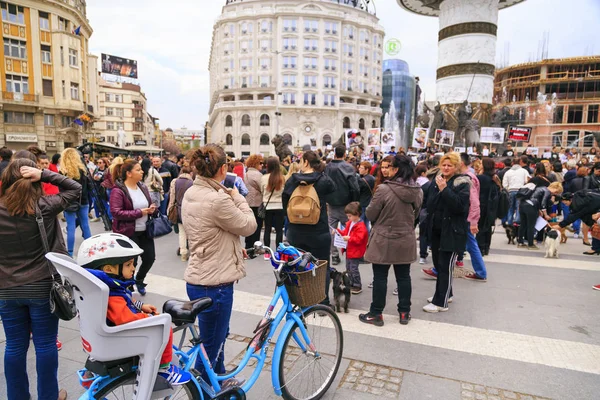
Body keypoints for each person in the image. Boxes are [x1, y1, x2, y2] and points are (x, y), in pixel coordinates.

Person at [0, 159, 81, 400]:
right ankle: (48, 396)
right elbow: (75, 188)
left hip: (6, 288)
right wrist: (44, 174)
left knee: (14, 346)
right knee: (45, 345)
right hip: (42, 286)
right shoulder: (44, 205)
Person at [182, 145, 256, 381]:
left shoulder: (192, 192)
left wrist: (233, 248)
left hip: (200, 275)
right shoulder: (218, 200)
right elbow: (248, 225)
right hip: (216, 284)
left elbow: (208, 231)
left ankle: (220, 380)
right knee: (211, 348)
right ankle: (203, 390)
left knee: (216, 338)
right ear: (223, 168)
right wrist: (238, 198)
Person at [77, 234, 191, 385]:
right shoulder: (112, 296)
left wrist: (141, 306)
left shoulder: (108, 286)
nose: (133, 268)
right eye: (129, 264)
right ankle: (164, 369)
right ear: (109, 268)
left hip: (106, 336)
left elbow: (127, 298)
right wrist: (148, 318)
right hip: (123, 336)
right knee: (165, 326)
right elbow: (125, 318)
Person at [359, 155, 423, 325]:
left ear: (397, 170)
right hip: (405, 238)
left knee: (380, 277)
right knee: (404, 277)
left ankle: (376, 313)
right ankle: (404, 312)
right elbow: (416, 215)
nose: (388, 170)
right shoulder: (418, 190)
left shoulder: (383, 190)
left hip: (383, 239)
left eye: (392, 167)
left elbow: (370, 214)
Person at [283, 151, 336, 305]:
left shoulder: (292, 180)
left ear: (305, 162)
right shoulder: (323, 179)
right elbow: (334, 192)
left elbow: (284, 205)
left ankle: (299, 299)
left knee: (296, 265)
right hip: (319, 231)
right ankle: (322, 301)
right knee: (322, 266)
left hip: (295, 232)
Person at [423, 153, 470, 313]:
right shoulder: (437, 181)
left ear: (456, 167)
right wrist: (438, 188)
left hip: (452, 231)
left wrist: (444, 190)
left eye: (450, 165)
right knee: (438, 264)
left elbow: (459, 207)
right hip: (437, 230)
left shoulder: (462, 183)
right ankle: (446, 294)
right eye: (444, 165)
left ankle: (440, 302)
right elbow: (430, 204)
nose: (446, 168)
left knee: (445, 267)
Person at [110, 159, 158, 295]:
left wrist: (152, 209)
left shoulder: (142, 186)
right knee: (132, 262)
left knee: (150, 258)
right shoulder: (118, 191)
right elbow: (116, 212)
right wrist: (140, 212)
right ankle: (128, 287)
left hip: (145, 230)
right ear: (129, 173)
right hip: (127, 232)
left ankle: (139, 279)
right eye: (138, 169)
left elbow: (148, 203)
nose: (142, 171)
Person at [325, 145, 360, 265]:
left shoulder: (327, 167)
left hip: (332, 203)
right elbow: (354, 187)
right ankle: (350, 254)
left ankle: (334, 255)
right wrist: (355, 202)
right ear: (344, 154)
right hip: (346, 203)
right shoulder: (348, 167)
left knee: (332, 229)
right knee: (350, 229)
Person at [60, 148, 92, 256]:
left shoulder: (63, 172)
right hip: (83, 200)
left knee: (71, 227)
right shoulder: (83, 170)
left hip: (69, 202)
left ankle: (70, 253)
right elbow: (88, 187)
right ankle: (90, 251)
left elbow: (61, 190)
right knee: (85, 224)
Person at [518, 180, 563, 249]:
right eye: (557, 192)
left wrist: (538, 210)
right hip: (531, 207)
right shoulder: (547, 191)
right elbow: (543, 203)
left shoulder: (540, 187)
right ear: (556, 188)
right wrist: (546, 215)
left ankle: (520, 242)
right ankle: (530, 244)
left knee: (523, 224)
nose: (555, 194)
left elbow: (535, 198)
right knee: (531, 226)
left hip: (523, 204)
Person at [335, 202, 368, 294]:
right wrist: (337, 231)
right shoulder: (350, 223)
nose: (348, 218)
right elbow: (345, 232)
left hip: (355, 251)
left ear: (356, 214)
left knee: (353, 268)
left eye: (349, 216)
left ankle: (357, 285)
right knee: (348, 267)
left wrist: (349, 238)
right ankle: (351, 283)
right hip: (349, 250)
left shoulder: (361, 226)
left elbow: (359, 239)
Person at [168, 163, 194, 261]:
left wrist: (169, 210)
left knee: (182, 233)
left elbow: (172, 198)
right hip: (190, 211)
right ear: (191, 173)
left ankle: (183, 253)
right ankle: (193, 252)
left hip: (179, 210)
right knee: (191, 232)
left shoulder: (175, 182)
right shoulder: (193, 183)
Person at [476, 158, 501, 256]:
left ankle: (480, 247)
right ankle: (486, 247)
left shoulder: (481, 178)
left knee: (480, 227)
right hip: (492, 206)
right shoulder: (494, 177)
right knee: (488, 227)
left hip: (481, 205)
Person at [261, 157, 285, 257]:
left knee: (267, 228)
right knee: (279, 230)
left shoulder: (264, 178)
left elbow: (262, 191)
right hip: (279, 205)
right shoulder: (282, 178)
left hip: (268, 205)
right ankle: (279, 251)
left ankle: (267, 252)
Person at [243, 155, 264, 249]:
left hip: (248, 202)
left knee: (249, 224)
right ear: (256, 163)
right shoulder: (258, 175)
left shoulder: (246, 173)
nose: (262, 165)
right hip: (257, 202)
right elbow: (262, 188)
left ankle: (248, 244)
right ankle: (255, 245)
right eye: (260, 163)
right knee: (257, 225)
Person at [502, 156, 530, 225]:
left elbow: (504, 183)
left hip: (511, 191)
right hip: (520, 191)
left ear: (512, 163)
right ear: (520, 163)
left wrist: (508, 189)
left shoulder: (508, 172)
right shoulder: (524, 171)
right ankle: (517, 222)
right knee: (518, 207)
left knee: (510, 208)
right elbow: (527, 180)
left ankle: (509, 222)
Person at [357, 161, 375, 231]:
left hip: (362, 203)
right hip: (370, 202)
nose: (359, 169)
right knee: (367, 223)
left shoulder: (361, 181)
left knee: (362, 223)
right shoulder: (373, 178)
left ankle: (364, 238)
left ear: (367, 169)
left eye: (361, 168)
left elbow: (358, 192)